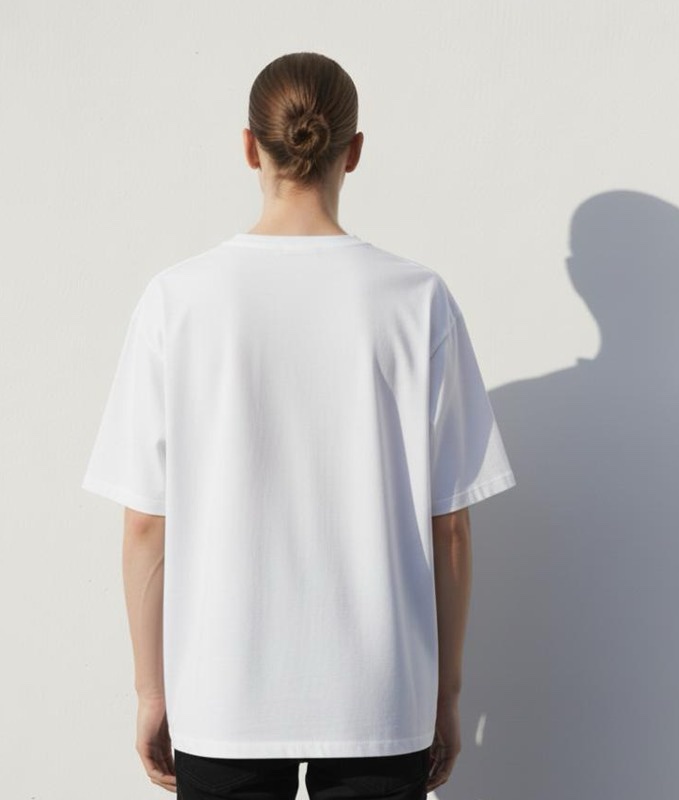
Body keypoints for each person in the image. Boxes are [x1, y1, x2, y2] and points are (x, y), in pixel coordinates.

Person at [81, 51, 517, 799]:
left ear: (250, 147)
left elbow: (146, 526)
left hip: (223, 695)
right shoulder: (417, 300)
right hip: (382, 698)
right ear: (355, 150)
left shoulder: (177, 300)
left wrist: (151, 692)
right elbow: (450, 529)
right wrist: (444, 693)